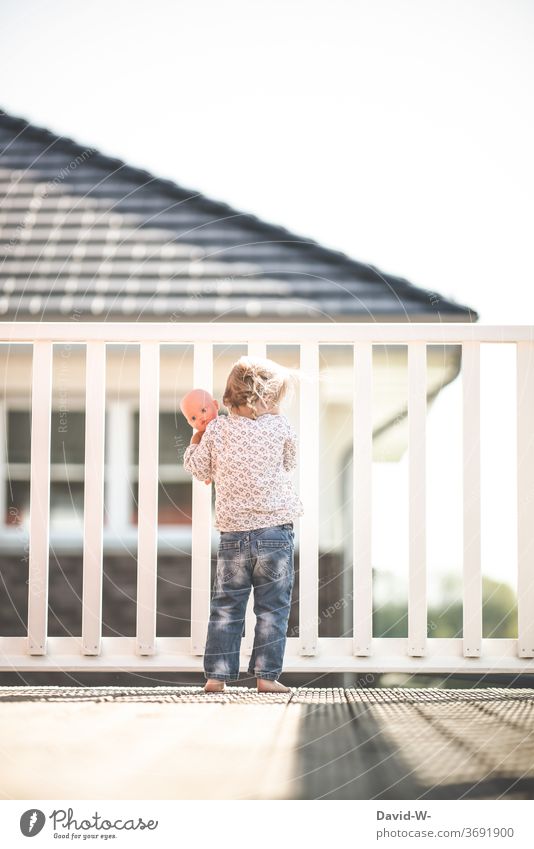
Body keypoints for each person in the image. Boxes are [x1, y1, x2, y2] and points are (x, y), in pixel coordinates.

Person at [182, 355, 304, 693]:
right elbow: (290, 461)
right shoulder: (279, 426)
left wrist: (197, 435)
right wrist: (278, 422)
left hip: (234, 535)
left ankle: (216, 676)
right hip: (275, 534)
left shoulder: (218, 429)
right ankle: (266, 677)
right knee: (272, 608)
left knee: (227, 607)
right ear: (262, 400)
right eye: (276, 401)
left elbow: (198, 469)